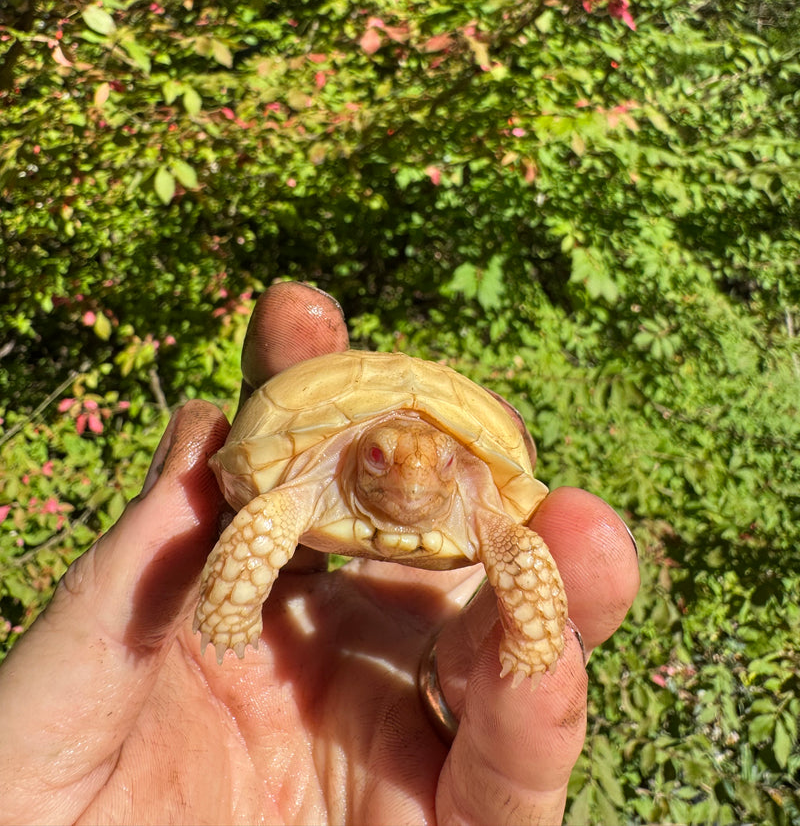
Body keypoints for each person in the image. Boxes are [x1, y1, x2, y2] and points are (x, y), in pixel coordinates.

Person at [0, 282, 639, 826]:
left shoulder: (480, 500)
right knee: (261, 525)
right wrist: (229, 610)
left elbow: (521, 547)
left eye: (441, 463)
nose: (412, 478)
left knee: (542, 566)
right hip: (317, 478)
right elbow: (262, 522)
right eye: (383, 457)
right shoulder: (306, 481)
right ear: (363, 455)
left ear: (457, 465)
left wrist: (533, 640)